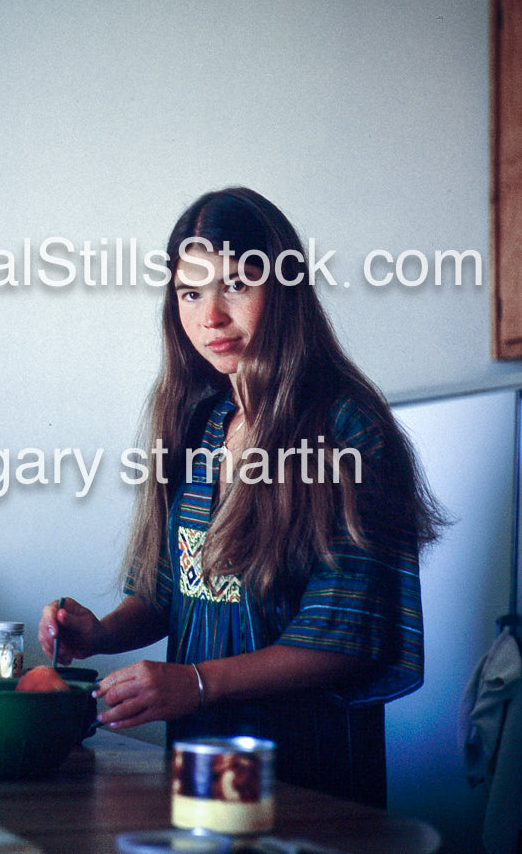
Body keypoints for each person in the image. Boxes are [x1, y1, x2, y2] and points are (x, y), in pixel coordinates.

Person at [38, 187, 443, 807]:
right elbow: (170, 593)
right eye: (190, 293)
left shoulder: (347, 429)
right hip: (201, 770)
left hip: (309, 775)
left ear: (284, 290)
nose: (210, 316)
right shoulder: (200, 423)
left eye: (237, 284)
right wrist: (98, 635)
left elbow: (341, 638)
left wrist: (194, 684)